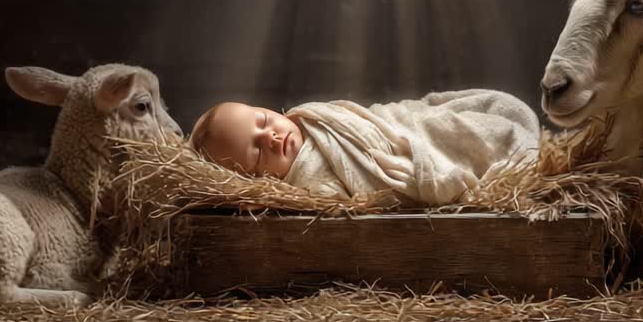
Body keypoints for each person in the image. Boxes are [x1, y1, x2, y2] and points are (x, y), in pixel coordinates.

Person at [189, 89, 541, 207]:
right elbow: (349, 198)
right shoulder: (305, 184)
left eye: (264, 121)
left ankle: (498, 135)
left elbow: (373, 122)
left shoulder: (314, 117)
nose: (270, 137)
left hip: (396, 130)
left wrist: (398, 124)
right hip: (397, 158)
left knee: (439, 122)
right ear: (254, 181)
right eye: (256, 152)